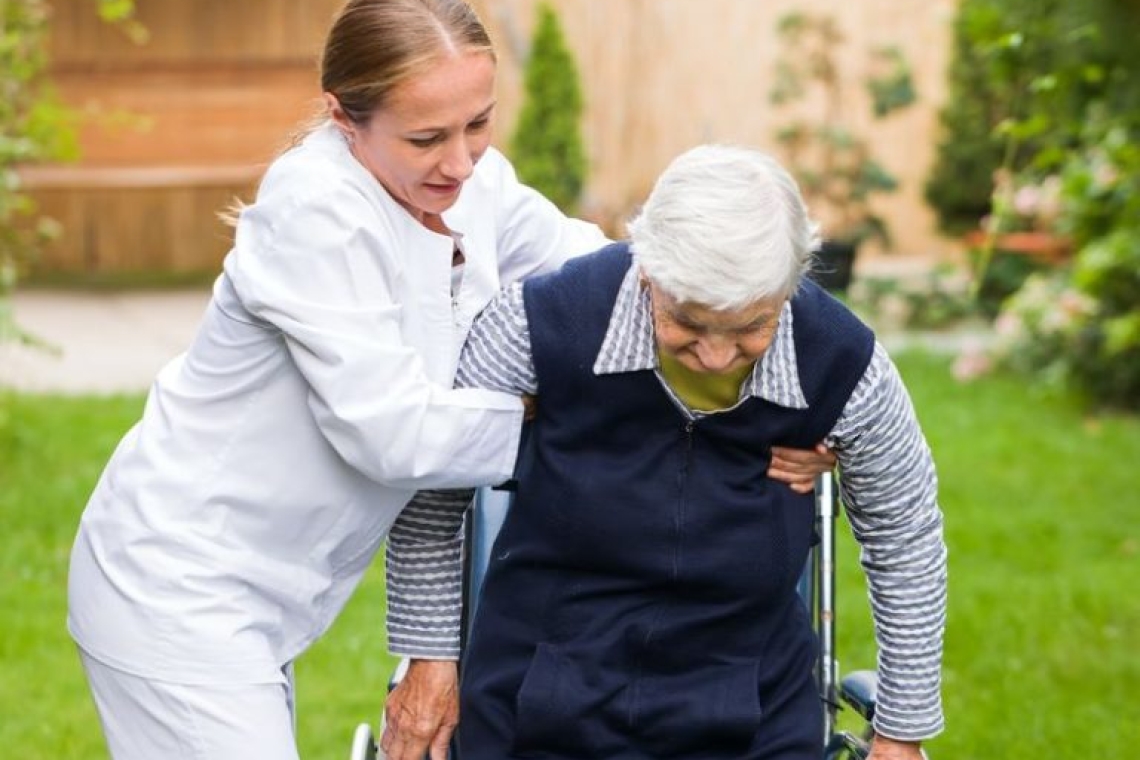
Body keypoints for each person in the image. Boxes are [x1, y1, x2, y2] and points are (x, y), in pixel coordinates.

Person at [65, 2, 832, 758]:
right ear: (343, 117)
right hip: (176, 582)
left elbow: (609, 278)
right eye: (427, 137)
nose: (461, 161)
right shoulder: (316, 214)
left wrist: (791, 395)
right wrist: (574, 423)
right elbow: (394, 434)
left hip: (270, 592)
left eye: (479, 124)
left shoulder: (476, 186)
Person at [428, 144, 948, 760]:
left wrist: (900, 731)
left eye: (752, 327)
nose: (717, 355)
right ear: (647, 271)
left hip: (746, 698)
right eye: (689, 324)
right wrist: (428, 660)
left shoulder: (843, 365)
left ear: (791, 287)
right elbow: (435, 492)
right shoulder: (537, 324)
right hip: (541, 685)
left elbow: (905, 535)